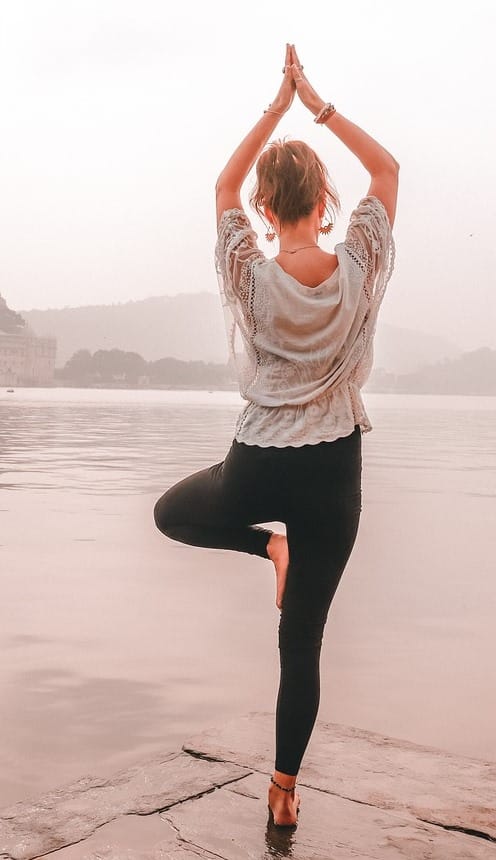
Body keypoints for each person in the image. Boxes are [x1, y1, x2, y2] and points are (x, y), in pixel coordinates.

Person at [154, 44, 399, 827]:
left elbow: (222, 186)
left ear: (265, 208)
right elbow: (387, 170)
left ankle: (268, 548)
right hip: (334, 472)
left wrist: (277, 107)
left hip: (258, 464)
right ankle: (284, 793)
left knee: (171, 514)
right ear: (324, 199)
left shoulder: (250, 276)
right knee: (303, 645)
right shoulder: (359, 266)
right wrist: (317, 105)